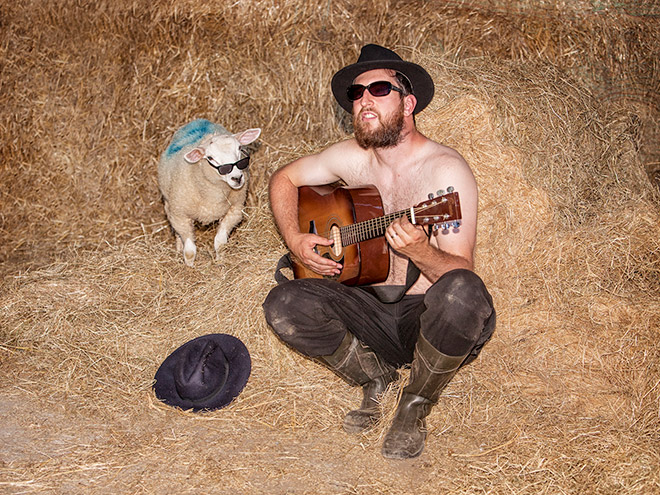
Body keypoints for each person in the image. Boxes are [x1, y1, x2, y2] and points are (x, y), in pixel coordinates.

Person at [262, 44, 496, 459]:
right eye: (356, 94)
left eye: (379, 88)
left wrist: (421, 251)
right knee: (284, 302)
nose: (364, 99)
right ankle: (374, 377)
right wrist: (295, 238)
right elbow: (283, 179)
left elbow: (462, 269)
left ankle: (415, 404)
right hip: (366, 309)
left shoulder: (444, 172)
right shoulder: (350, 159)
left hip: (421, 321)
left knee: (464, 293)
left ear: (408, 103)